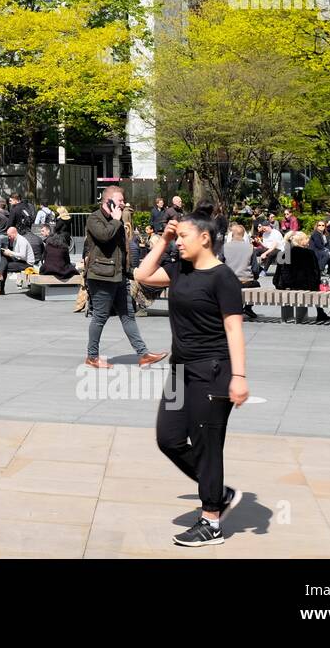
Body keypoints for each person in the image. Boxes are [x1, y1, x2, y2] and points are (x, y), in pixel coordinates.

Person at [135, 212, 249, 548]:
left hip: (213, 371)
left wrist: (239, 377)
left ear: (205, 238)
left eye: (184, 235)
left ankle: (211, 520)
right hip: (180, 370)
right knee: (168, 438)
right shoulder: (179, 270)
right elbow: (142, 274)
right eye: (177, 236)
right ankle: (219, 492)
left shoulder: (222, 278)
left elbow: (234, 328)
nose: (179, 241)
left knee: (206, 444)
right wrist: (165, 239)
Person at [81, 185, 167, 369]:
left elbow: (122, 250)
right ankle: (92, 356)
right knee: (100, 317)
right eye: (120, 201)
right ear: (108, 201)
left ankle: (143, 354)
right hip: (101, 277)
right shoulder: (94, 218)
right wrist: (115, 220)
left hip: (119, 277)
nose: (123, 204)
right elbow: (104, 237)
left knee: (128, 315)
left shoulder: (118, 221)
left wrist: (131, 272)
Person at [274, 230, 328, 323]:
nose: (308, 240)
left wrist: (280, 284)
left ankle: (288, 316)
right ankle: (320, 312)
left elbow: (280, 273)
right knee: (315, 286)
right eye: (306, 238)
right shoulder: (310, 253)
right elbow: (316, 272)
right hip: (306, 285)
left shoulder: (285, 253)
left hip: (289, 285)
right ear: (301, 241)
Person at [222, 223, 260, 321]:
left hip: (229, 282)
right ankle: (248, 308)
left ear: (232, 234)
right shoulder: (250, 247)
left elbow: (219, 265)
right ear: (244, 234)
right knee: (256, 284)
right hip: (246, 282)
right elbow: (255, 269)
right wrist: (254, 277)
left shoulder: (225, 247)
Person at [0, 226, 34, 294]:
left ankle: (0, 287)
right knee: (4, 257)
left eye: (9, 236)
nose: (9, 238)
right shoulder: (15, 240)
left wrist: (10, 252)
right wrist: (8, 253)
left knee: (4, 267)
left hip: (27, 264)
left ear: (14, 233)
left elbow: (22, 255)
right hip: (20, 260)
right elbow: (17, 255)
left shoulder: (21, 240)